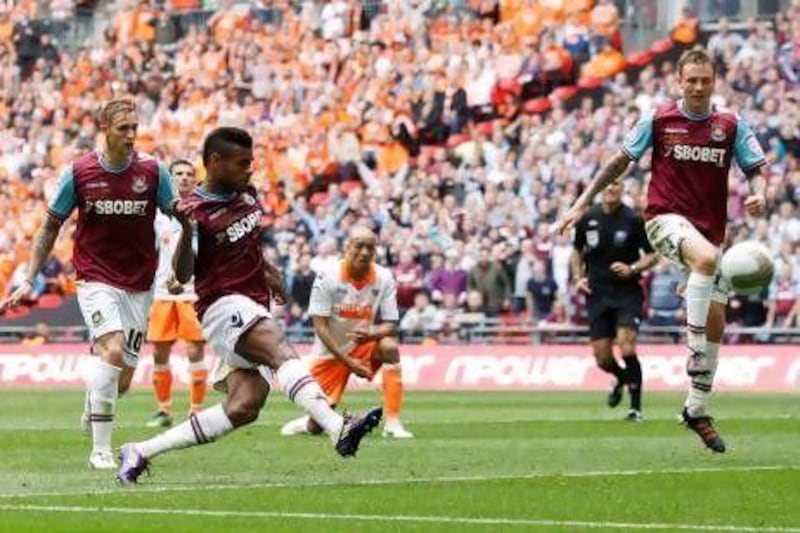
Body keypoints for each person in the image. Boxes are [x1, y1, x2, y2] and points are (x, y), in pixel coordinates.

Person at [117, 127, 382, 484]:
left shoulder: (247, 195)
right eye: (242, 163)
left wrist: (269, 272)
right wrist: (183, 229)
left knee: (245, 406)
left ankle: (141, 450)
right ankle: (337, 427)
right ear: (215, 162)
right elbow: (183, 273)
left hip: (251, 302)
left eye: (251, 161)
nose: (250, 169)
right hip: (222, 306)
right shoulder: (196, 210)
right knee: (279, 347)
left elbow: (251, 243)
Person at [558, 49, 768, 452]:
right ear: (679, 81)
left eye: (705, 80)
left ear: (714, 82)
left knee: (717, 322)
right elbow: (619, 162)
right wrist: (583, 201)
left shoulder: (731, 124)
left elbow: (756, 170)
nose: (698, 87)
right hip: (663, 220)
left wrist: (759, 194)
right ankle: (692, 354)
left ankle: (696, 408)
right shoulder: (658, 119)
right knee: (706, 262)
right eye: (691, 80)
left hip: (709, 231)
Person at [0, 96, 178, 470]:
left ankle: (94, 400)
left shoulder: (153, 172)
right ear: (105, 130)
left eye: (134, 128)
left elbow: (180, 219)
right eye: (123, 129)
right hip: (95, 276)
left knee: (123, 380)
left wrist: (181, 266)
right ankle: (100, 449)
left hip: (140, 283)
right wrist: (29, 276)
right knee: (111, 349)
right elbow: (51, 225)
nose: (132, 135)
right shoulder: (80, 173)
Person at [280, 225, 413, 440]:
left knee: (389, 347)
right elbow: (320, 326)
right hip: (330, 353)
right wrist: (347, 361)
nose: (365, 252)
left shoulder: (384, 277)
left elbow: (391, 325)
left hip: (362, 347)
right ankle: (307, 423)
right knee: (316, 427)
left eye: (370, 248)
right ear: (347, 247)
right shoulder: (327, 277)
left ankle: (393, 422)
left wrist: (371, 333)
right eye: (359, 246)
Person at [571, 179, 658, 422]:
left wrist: (632, 267)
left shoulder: (633, 219)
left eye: (616, 184)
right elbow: (577, 251)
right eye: (606, 185)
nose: (610, 188)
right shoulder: (588, 217)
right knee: (602, 358)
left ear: (622, 189)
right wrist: (578, 278)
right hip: (597, 294)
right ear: (599, 188)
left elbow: (652, 255)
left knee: (626, 345)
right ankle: (620, 377)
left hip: (626, 292)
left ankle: (636, 408)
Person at [145, 160, 208, 428]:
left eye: (189, 174)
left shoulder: (203, 213)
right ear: (170, 180)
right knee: (160, 352)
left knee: (195, 350)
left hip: (192, 293)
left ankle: (195, 410)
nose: (183, 178)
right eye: (178, 174)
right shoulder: (159, 214)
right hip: (161, 292)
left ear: (195, 180)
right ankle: (164, 410)